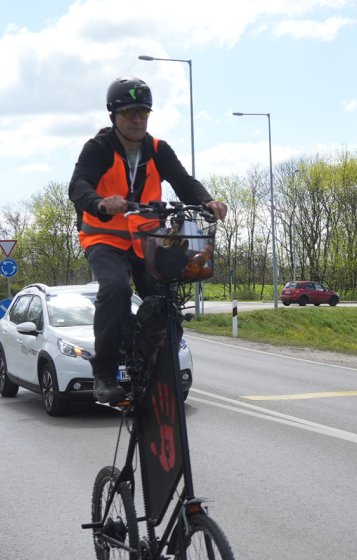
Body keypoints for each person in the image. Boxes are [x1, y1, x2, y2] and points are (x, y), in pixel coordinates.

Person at [69, 76, 227, 403]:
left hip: (146, 240)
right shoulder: (98, 148)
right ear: (114, 116)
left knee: (166, 297)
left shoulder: (158, 150)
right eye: (129, 113)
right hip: (104, 238)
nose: (138, 119)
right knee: (116, 288)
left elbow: (184, 182)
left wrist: (208, 200)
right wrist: (99, 202)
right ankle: (104, 372)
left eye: (143, 112)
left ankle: (155, 358)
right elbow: (79, 185)